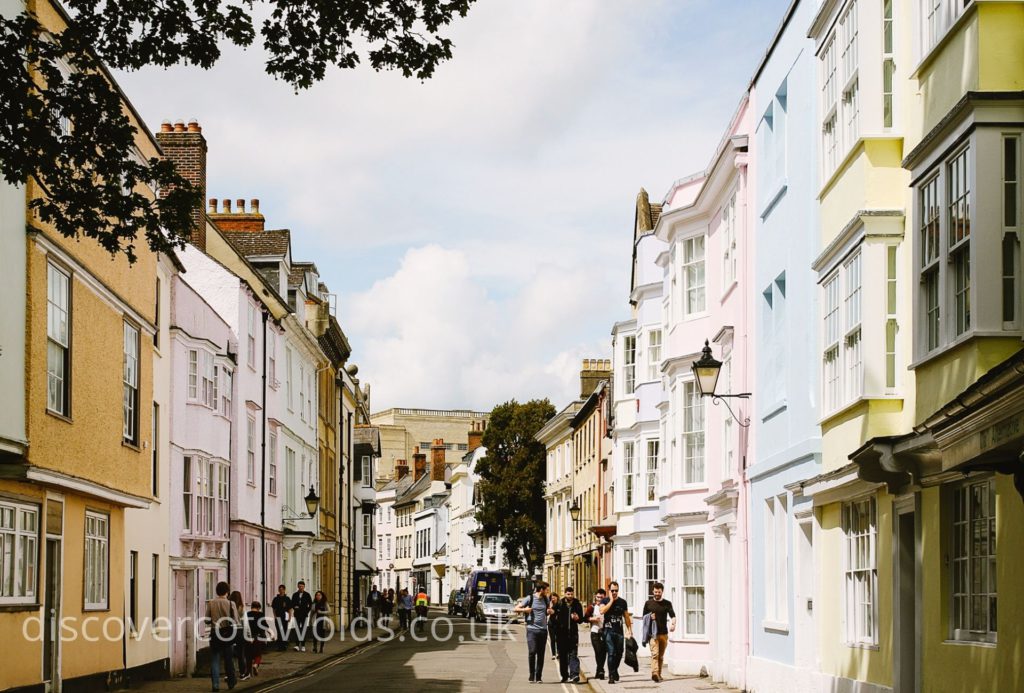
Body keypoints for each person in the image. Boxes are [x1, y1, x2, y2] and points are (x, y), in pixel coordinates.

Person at [514, 581, 553, 684]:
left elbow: (548, 610)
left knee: (541, 654)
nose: (548, 592)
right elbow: (516, 608)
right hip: (532, 629)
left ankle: (539, 676)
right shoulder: (530, 598)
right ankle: (532, 675)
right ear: (541, 590)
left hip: (543, 630)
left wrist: (550, 611)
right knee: (532, 652)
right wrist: (525, 610)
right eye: (546, 590)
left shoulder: (546, 599)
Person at [204, 581, 238, 692]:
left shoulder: (211, 603)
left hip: (215, 633)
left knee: (214, 660)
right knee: (228, 659)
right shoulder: (231, 603)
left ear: (217, 591)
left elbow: (206, 620)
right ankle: (231, 682)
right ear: (227, 591)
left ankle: (215, 685)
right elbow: (236, 621)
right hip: (227, 634)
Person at [642, 582, 677, 683]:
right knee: (655, 654)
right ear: (652, 591)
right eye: (655, 592)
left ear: (662, 592)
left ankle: (659, 674)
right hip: (653, 634)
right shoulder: (648, 603)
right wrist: (649, 616)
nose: (657, 594)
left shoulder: (667, 603)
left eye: (659, 592)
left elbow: (672, 615)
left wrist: (673, 624)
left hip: (664, 634)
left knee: (661, 656)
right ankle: (654, 673)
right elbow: (643, 617)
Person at [600, 581, 632, 684]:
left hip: (619, 631)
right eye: (612, 590)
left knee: (619, 653)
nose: (614, 592)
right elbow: (602, 611)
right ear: (609, 591)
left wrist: (629, 630)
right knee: (611, 653)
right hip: (608, 631)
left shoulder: (622, 602)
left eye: (616, 591)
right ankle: (611, 676)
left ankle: (614, 670)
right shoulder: (604, 600)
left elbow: (626, 617)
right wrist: (611, 601)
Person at [553, 586, 584, 683]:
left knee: (573, 654)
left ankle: (574, 675)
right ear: (565, 594)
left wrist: (577, 618)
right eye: (568, 594)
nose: (570, 596)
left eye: (571, 594)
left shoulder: (577, 604)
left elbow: (581, 620)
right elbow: (553, 616)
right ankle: (564, 675)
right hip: (562, 635)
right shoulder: (560, 603)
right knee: (562, 656)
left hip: (573, 634)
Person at [584, 589, 609, 680]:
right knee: (598, 651)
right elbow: (585, 618)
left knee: (603, 652)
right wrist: (593, 619)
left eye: (601, 597)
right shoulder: (592, 607)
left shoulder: (607, 606)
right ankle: (601, 670)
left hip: (605, 632)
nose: (599, 599)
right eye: (598, 597)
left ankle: (599, 670)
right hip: (595, 632)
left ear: (604, 597)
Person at [244, 602, 270, 677]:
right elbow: (265, 625)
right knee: (258, 654)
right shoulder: (260, 614)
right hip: (259, 636)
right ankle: (255, 664)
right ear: (258, 608)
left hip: (248, 637)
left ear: (251, 607)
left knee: (249, 655)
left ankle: (248, 672)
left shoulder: (247, 614)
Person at [228, 591, 248, 679]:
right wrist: (248, 634)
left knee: (229, 654)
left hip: (230, 630)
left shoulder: (229, 607)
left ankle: (229, 674)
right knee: (241, 653)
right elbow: (245, 622)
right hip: (240, 631)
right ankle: (242, 673)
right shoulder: (242, 608)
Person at [291, 580, 313, 651]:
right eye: (300, 586)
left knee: (303, 630)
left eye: (302, 586)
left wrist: (307, 610)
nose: (301, 588)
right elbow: (292, 604)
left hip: (304, 614)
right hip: (297, 614)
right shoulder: (295, 595)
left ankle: (303, 645)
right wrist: (295, 607)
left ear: (304, 587)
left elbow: (310, 604)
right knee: (297, 629)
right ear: (298, 586)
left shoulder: (307, 595)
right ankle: (297, 645)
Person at [270, 585, 292, 652]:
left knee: (284, 631)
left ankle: (284, 645)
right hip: (278, 617)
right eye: (280, 589)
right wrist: (275, 616)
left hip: (285, 617)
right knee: (279, 631)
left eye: (282, 589)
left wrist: (290, 617)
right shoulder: (276, 599)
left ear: (284, 590)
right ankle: (280, 646)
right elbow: (274, 609)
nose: (281, 590)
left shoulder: (287, 599)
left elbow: (290, 609)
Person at [547, 593, 560, 659]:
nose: (553, 599)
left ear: (557, 597)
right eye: (552, 598)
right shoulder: (549, 604)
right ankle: (553, 654)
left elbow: (559, 612)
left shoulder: (559, 604)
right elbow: (548, 612)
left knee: (558, 639)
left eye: (554, 597)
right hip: (551, 623)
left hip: (558, 624)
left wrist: (553, 611)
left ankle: (558, 653)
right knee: (552, 639)